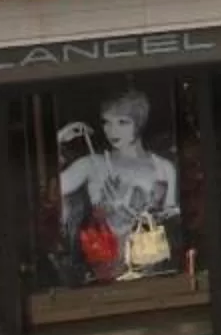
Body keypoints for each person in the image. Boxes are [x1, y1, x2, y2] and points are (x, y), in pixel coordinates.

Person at [58, 87, 179, 280]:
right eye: (107, 122)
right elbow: (52, 190)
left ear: (138, 124)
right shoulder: (92, 164)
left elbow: (172, 218)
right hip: (105, 268)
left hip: (152, 269)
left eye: (122, 122)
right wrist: (60, 142)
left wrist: (145, 212)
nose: (112, 130)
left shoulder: (163, 168)